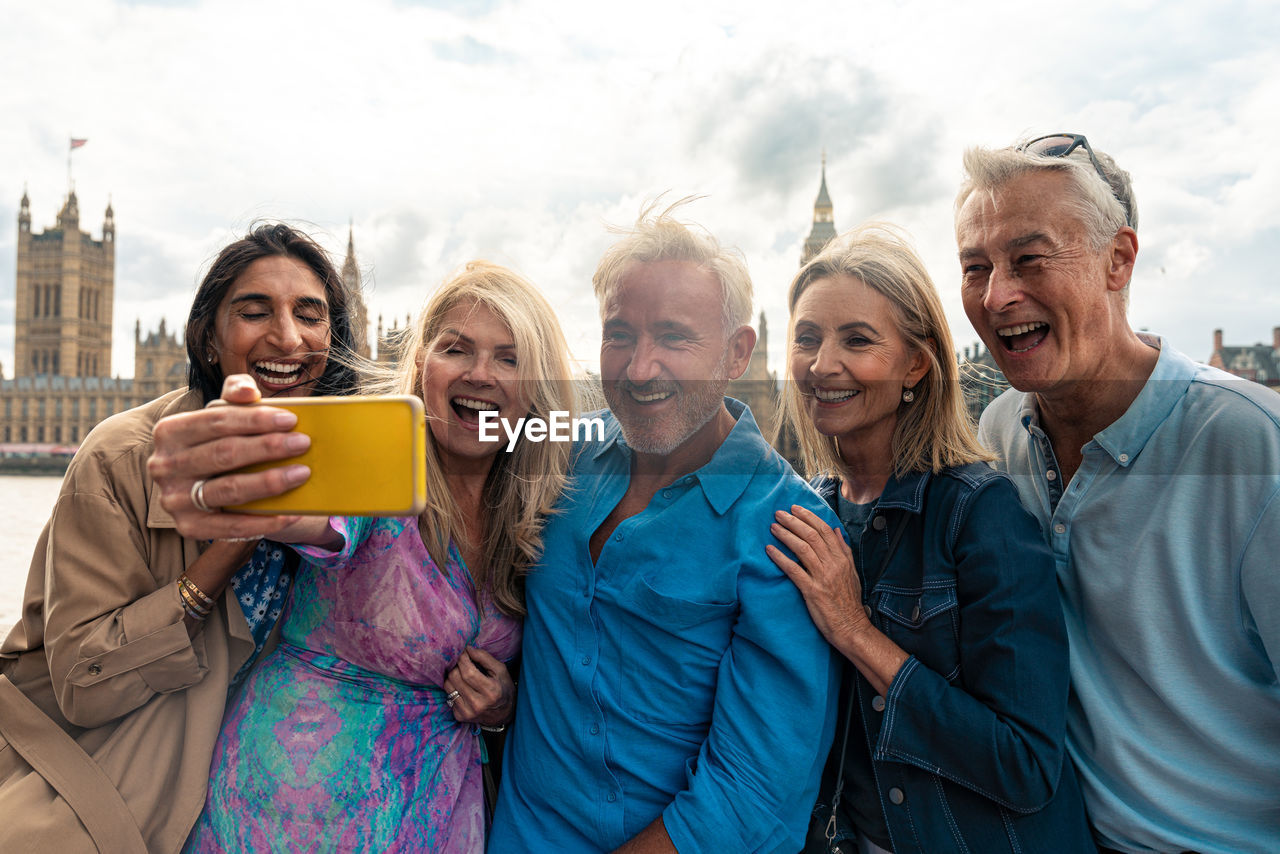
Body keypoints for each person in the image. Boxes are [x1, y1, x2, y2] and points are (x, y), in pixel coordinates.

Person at [149, 260, 577, 852]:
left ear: (539, 388)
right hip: (290, 814)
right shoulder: (371, 458)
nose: (481, 375)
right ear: (420, 363)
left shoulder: (553, 504)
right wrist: (251, 487)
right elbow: (318, 519)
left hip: (441, 810)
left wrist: (502, 705)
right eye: (456, 350)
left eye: (509, 358)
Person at [955, 134, 1280, 854]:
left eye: (1029, 258)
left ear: (1120, 259)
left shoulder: (1252, 444)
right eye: (974, 267)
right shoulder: (1004, 426)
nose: (996, 294)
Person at [483, 201, 841, 853]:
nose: (640, 367)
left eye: (674, 338)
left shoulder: (787, 526)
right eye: (619, 334)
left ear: (738, 352)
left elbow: (754, 793)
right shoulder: (560, 453)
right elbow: (448, 448)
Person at [0, 222, 360, 854]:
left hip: (266, 805)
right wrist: (236, 539)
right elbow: (86, 684)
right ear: (210, 339)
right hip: (98, 795)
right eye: (254, 312)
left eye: (311, 314)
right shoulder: (121, 457)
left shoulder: (348, 466)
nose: (287, 336)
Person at [766, 223, 1094, 854]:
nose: (821, 363)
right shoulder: (806, 511)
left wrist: (856, 631)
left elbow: (1024, 765)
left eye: (856, 340)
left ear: (916, 363)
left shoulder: (978, 513)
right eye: (806, 339)